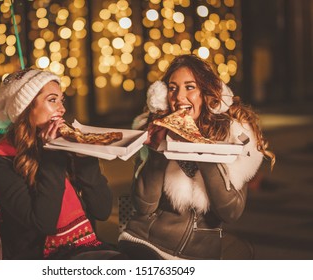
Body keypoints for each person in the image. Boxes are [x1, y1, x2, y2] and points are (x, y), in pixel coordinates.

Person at [118, 54, 275, 260]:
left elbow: (231, 213)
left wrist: (202, 149)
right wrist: (157, 153)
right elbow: (144, 207)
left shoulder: (232, 136)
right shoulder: (155, 129)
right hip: (146, 243)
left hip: (199, 255)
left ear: (207, 95)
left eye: (190, 87)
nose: (179, 97)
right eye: (173, 88)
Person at [0, 68, 123, 259]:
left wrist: (85, 157)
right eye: (52, 100)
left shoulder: (64, 143)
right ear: (26, 107)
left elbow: (102, 210)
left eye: (61, 100)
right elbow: (44, 222)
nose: (62, 109)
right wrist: (52, 155)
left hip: (86, 247)